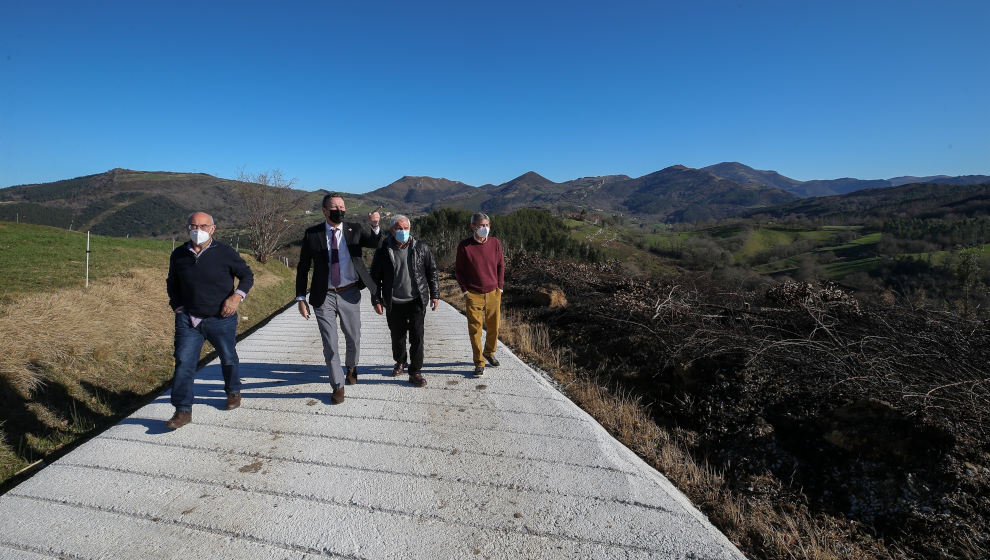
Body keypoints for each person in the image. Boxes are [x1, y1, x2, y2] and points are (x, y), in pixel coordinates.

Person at [165, 212, 254, 429]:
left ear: (212, 229)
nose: (198, 230)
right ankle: (182, 410)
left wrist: (236, 297)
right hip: (189, 320)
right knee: (184, 362)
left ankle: (233, 391)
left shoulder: (224, 252)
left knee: (228, 357)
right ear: (187, 228)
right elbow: (172, 282)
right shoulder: (178, 254)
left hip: (220, 318)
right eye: (194, 226)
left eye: (203, 226)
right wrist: (177, 306)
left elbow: (247, 275)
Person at [296, 194, 382, 403]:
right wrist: (300, 297)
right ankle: (337, 385)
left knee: (353, 337)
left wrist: (375, 225)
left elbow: (375, 243)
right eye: (335, 207)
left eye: (342, 206)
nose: (340, 210)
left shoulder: (354, 229)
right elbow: (303, 267)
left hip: (350, 291)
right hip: (323, 295)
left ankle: (352, 367)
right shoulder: (312, 234)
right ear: (325, 210)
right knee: (330, 343)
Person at [370, 215, 439, 388]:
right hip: (393, 302)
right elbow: (374, 277)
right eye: (399, 228)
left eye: (406, 228)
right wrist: (376, 299)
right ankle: (400, 361)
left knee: (417, 337)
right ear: (392, 230)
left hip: (416, 300)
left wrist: (435, 294)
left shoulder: (421, 247)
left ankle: (415, 371)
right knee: (397, 336)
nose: (403, 231)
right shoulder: (383, 249)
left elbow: (432, 272)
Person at [454, 212, 504, 377]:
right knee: (475, 330)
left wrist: (500, 287)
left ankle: (489, 352)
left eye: (487, 225)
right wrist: (465, 291)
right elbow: (459, 271)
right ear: (473, 227)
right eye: (481, 226)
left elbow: (500, 265)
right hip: (473, 294)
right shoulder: (464, 246)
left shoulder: (495, 243)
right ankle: (479, 362)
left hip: (493, 293)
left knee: (494, 328)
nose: (485, 228)